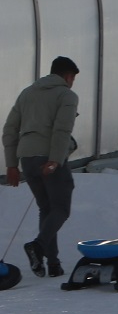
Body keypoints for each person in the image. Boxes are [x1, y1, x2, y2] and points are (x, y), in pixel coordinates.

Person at [3, 56, 80, 278]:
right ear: (68, 76)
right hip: (49, 157)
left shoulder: (26, 94)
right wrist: (55, 160)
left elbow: (9, 129)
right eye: (73, 78)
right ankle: (37, 246)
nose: (72, 82)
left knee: (46, 208)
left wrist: (11, 165)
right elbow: (62, 130)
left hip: (27, 159)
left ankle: (52, 264)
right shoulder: (67, 95)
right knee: (61, 209)